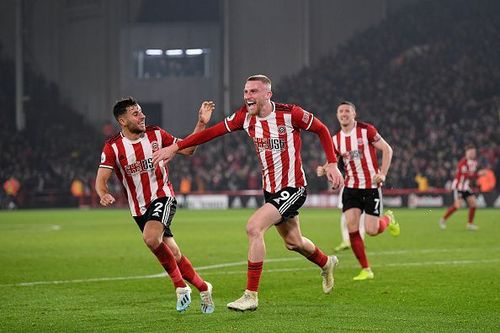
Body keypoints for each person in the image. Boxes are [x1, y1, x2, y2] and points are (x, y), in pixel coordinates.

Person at [153, 74, 344, 312]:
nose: (247, 96)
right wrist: (176, 146)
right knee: (293, 242)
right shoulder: (243, 116)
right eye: (245, 92)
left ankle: (251, 295)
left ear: (267, 94)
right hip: (271, 190)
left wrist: (333, 163)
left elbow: (322, 129)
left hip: (293, 187)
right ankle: (327, 263)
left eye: (253, 91)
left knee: (254, 227)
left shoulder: (290, 114)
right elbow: (210, 133)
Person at [95, 97, 215, 313]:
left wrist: (201, 124)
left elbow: (188, 149)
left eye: (141, 112)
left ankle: (181, 288)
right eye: (135, 113)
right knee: (174, 254)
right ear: (122, 120)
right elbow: (101, 180)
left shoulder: (156, 134)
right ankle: (204, 287)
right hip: (139, 209)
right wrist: (103, 194)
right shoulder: (113, 147)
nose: (142, 116)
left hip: (162, 197)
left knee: (151, 238)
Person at [318, 101, 399, 281]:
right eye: (341, 111)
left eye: (347, 111)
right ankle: (366, 269)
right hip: (351, 188)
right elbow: (333, 161)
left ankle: (388, 219)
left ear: (354, 114)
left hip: (370, 188)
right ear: (337, 115)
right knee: (352, 228)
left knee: (371, 230)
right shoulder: (336, 139)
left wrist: (383, 174)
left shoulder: (366, 130)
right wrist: (324, 169)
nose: (344, 114)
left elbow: (387, 149)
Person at [439, 145, 485, 231]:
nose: (473, 154)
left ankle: (470, 224)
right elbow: (466, 175)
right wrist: (479, 174)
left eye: (474, 152)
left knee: (473, 204)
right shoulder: (462, 163)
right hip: (459, 187)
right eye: (471, 152)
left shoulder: (474, 162)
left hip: (466, 187)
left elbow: (470, 176)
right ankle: (442, 220)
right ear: (466, 153)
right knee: (458, 205)